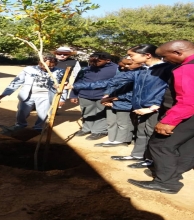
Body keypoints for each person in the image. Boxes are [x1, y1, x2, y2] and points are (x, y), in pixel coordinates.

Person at [128, 40, 194, 194]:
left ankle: (166, 182)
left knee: (160, 145)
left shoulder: (186, 69)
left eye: (166, 57)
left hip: (187, 115)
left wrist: (169, 121)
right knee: (188, 146)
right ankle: (174, 173)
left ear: (178, 53)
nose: (165, 61)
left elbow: (188, 100)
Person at [70, 58, 143, 147]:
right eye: (122, 65)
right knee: (111, 121)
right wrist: (107, 95)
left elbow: (136, 92)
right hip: (111, 100)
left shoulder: (140, 74)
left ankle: (122, 140)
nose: (124, 67)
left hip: (124, 102)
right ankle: (112, 139)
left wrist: (117, 98)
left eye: (128, 65)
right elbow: (111, 84)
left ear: (140, 64)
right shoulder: (123, 73)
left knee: (123, 123)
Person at [0, 56, 65, 131]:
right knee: (22, 111)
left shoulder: (60, 72)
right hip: (28, 95)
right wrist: (5, 93)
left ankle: (38, 127)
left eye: (51, 66)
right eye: (44, 65)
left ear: (55, 64)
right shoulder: (29, 69)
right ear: (39, 63)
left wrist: (62, 98)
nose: (47, 68)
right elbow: (17, 81)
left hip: (46, 96)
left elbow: (64, 86)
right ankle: (20, 124)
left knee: (43, 113)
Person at [70, 52, 118, 140]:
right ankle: (86, 128)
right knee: (87, 113)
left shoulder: (116, 69)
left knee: (101, 113)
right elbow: (77, 82)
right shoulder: (85, 69)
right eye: (92, 61)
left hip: (103, 96)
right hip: (85, 95)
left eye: (98, 61)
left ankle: (99, 131)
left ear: (108, 60)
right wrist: (74, 94)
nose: (94, 63)